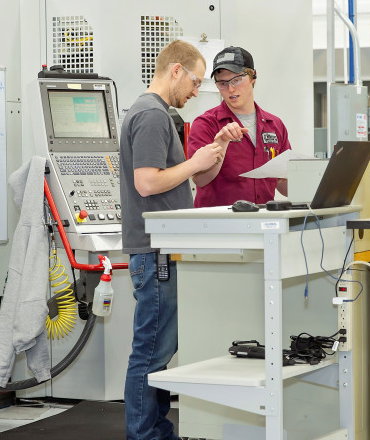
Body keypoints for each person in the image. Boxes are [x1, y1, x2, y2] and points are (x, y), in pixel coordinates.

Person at [120, 40, 222, 440]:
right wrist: (193, 163)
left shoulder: (158, 114)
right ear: (175, 70)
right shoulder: (151, 116)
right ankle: (144, 435)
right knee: (151, 352)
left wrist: (203, 161)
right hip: (155, 252)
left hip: (161, 252)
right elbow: (146, 183)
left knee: (158, 351)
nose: (196, 92)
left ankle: (156, 430)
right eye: (195, 82)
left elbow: (172, 179)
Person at [187, 46, 292, 207]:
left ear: (253, 77)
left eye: (236, 80)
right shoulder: (206, 124)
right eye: (222, 83)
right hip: (218, 226)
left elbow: (285, 188)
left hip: (263, 225)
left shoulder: (275, 125)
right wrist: (221, 143)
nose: (230, 89)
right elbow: (200, 179)